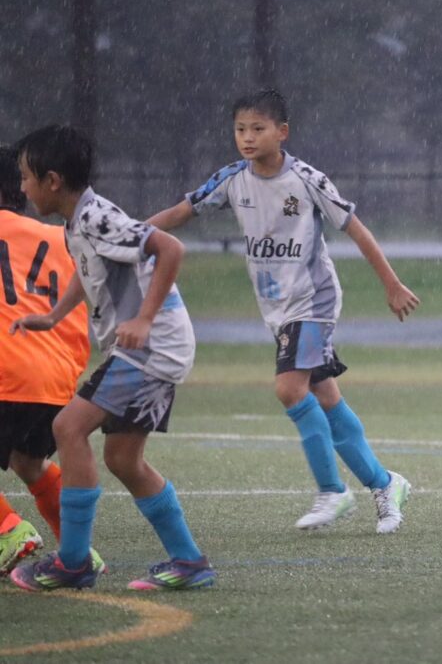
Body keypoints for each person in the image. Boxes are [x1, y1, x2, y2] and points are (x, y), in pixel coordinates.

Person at [148, 89, 418, 533]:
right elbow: (182, 211)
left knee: (289, 389)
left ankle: (332, 492)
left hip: (313, 301)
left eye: (258, 128)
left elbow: (356, 228)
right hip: (278, 309)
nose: (247, 137)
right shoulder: (232, 179)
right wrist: (129, 233)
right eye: (240, 129)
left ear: (282, 132)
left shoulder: (307, 180)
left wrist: (391, 284)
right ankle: (385, 483)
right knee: (325, 398)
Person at [9, 125, 215, 591]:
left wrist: (144, 319)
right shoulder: (76, 223)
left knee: (68, 427)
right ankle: (189, 561)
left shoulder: (97, 217)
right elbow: (89, 268)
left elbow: (170, 248)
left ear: (52, 181)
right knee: (123, 458)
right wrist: (55, 315)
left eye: (25, 178)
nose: (22, 187)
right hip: (149, 350)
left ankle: (74, 562)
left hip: (150, 349)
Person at [0, 145, 90, 576]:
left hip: (6, 368)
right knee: (29, 462)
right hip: (54, 376)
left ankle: (7, 530)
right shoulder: (60, 238)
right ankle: (78, 551)